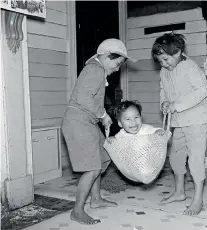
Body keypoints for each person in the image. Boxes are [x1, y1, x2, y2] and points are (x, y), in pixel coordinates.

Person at [62, 39, 133, 225]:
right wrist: (103, 114)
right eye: (117, 64)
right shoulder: (95, 70)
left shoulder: (97, 69)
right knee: (92, 167)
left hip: (87, 121)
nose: (118, 69)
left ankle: (96, 199)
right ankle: (77, 210)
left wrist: (102, 115)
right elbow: (82, 97)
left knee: (103, 156)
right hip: (78, 122)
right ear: (106, 56)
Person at [151, 33, 207, 216]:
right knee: (176, 157)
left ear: (177, 52)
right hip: (178, 122)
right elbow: (164, 90)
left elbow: (202, 91)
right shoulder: (164, 71)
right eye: (160, 61)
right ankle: (179, 192)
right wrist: (164, 103)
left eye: (165, 59)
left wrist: (176, 105)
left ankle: (198, 199)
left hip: (197, 121)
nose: (163, 64)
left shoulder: (189, 67)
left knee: (195, 159)